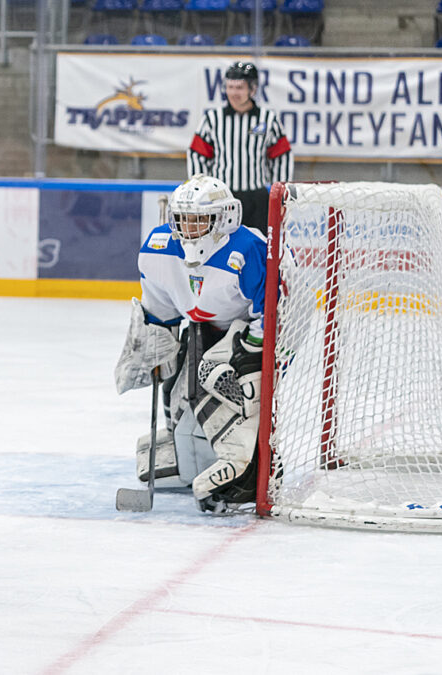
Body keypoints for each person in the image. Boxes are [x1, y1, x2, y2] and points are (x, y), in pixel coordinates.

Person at [115, 174, 267, 514]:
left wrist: (250, 354)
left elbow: (271, 310)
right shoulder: (157, 247)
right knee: (178, 389)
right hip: (202, 326)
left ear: (224, 218)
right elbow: (160, 306)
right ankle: (184, 449)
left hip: (247, 330)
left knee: (240, 399)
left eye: (199, 218)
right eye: (182, 218)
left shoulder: (247, 249)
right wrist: (159, 340)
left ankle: (248, 473)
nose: (189, 227)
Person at [186, 61, 292, 235]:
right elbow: (197, 154)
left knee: (259, 247)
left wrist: (280, 196)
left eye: (239, 88)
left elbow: (281, 156)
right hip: (221, 198)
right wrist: (202, 192)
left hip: (257, 199)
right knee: (220, 246)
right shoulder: (213, 119)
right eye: (230, 87)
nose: (234, 93)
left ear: (253, 89)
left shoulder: (267, 119)